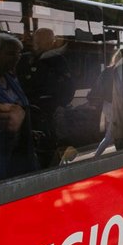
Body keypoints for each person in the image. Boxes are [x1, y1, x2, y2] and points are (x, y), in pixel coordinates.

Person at [16, 27, 74, 168]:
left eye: (46, 40)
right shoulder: (24, 59)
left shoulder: (57, 60)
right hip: (27, 110)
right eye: (39, 39)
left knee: (51, 143)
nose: (40, 43)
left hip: (49, 110)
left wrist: (60, 104)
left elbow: (68, 86)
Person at [0, 33, 39, 181]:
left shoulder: (10, 78)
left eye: (18, 53)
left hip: (21, 152)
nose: (16, 58)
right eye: (10, 53)